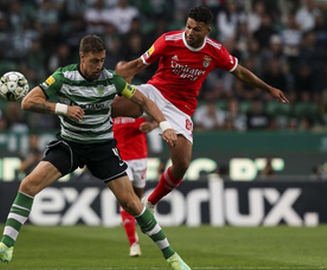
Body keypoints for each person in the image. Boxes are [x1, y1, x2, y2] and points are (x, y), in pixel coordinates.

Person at [0, 35, 191, 270]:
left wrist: (165, 125)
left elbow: (146, 102)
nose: (99, 66)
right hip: (71, 145)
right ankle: (6, 247)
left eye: (102, 61)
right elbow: (28, 102)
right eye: (95, 61)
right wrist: (63, 109)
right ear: (82, 57)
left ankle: (171, 256)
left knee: (132, 203)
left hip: (102, 147)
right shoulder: (63, 76)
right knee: (28, 185)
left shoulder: (112, 80)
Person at [112, 5, 289, 213]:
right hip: (155, 92)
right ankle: (78, 135)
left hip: (180, 108)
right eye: (188, 27)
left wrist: (268, 89)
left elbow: (240, 73)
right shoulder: (168, 41)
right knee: (111, 108)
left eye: (196, 29)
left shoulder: (215, 51)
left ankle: (150, 203)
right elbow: (138, 65)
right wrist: (114, 76)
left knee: (182, 164)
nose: (190, 32)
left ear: (207, 31)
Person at [112, 61, 157, 257]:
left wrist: (153, 126)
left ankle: (139, 224)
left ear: (130, 76)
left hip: (140, 157)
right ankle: (133, 244)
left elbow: (158, 115)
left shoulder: (138, 97)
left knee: (136, 202)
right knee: (127, 200)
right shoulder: (109, 98)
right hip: (120, 156)